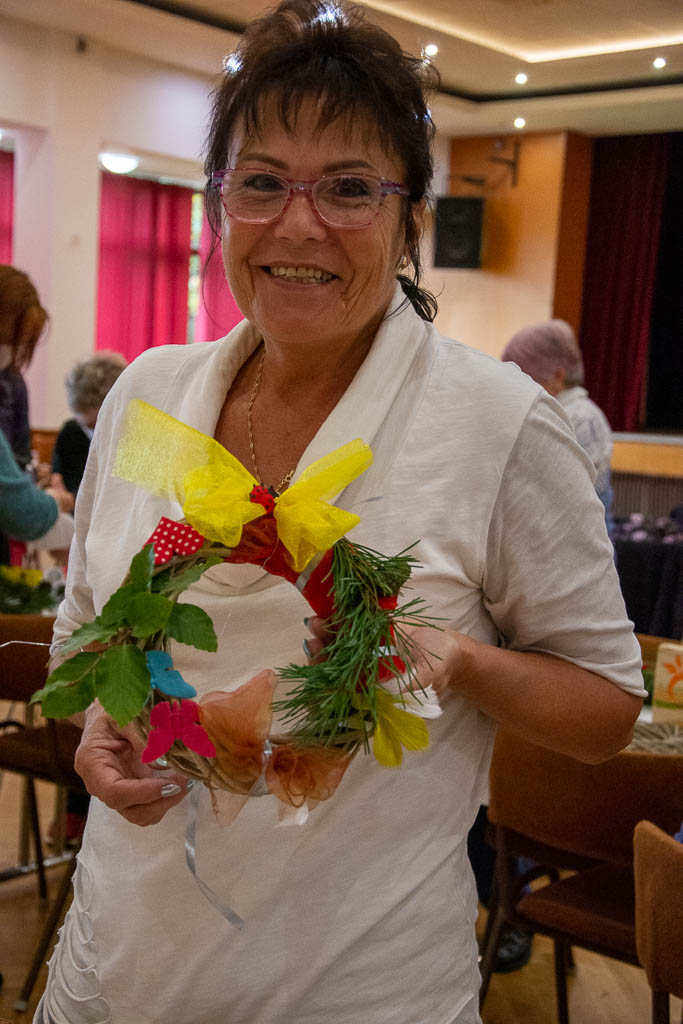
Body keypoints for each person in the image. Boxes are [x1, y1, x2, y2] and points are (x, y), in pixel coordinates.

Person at [38, 3, 644, 1022]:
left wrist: (461, 660)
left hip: (359, 989)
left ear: (411, 221)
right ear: (218, 204)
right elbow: (86, 631)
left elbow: (607, 710)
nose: (298, 224)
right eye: (261, 181)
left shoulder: (495, 425)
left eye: (350, 188)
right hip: (120, 969)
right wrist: (100, 722)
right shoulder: (147, 398)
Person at [501, 319, 614, 529]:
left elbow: (568, 494)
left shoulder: (581, 417)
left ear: (558, 376)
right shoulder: (556, 412)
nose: (519, 389)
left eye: (527, 379)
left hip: (579, 537)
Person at [51, 351, 127, 496]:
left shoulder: (130, 438)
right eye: (88, 426)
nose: (92, 430)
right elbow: (60, 478)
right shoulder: (70, 431)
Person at [0, 265, 49, 470]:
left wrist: (32, 478)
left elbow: (21, 461)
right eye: (9, 339)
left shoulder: (14, 384)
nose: (13, 349)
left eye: (21, 342)